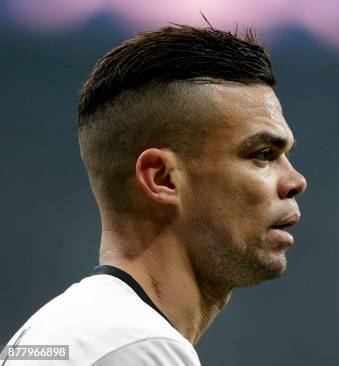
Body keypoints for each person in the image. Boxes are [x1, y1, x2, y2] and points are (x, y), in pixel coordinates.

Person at [2, 22, 307, 365]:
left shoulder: (62, 332)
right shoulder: (135, 348)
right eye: (263, 154)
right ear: (162, 178)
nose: (296, 180)